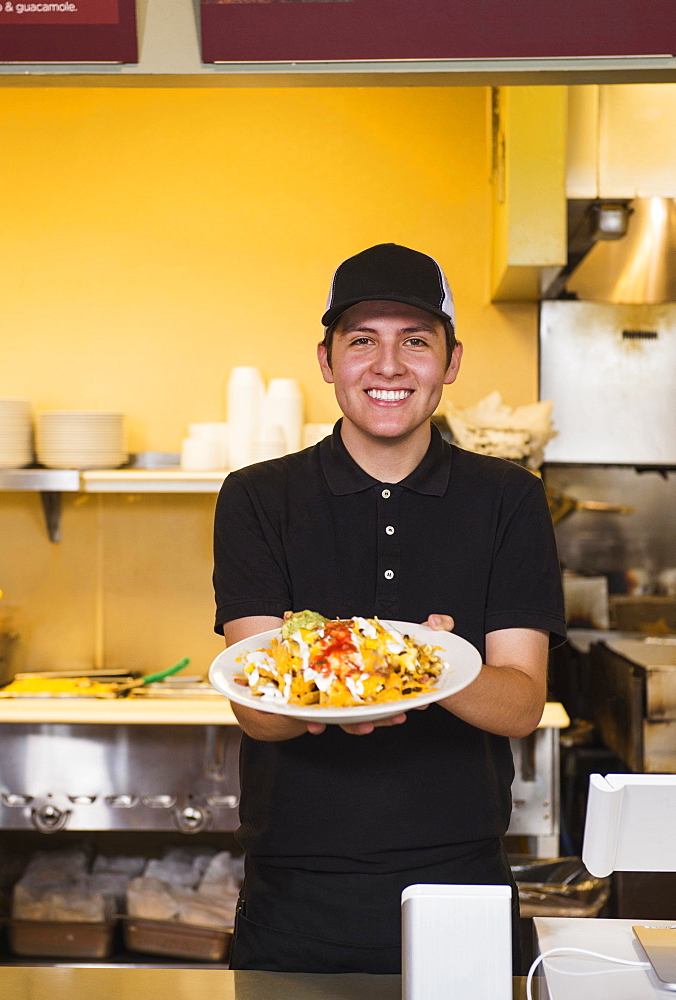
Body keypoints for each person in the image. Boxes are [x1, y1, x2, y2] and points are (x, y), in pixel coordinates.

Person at [212, 242, 566, 975]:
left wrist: (424, 666)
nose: (388, 366)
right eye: (361, 341)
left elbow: (520, 705)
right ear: (326, 359)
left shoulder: (508, 500)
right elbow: (256, 709)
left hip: (460, 886)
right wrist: (346, 686)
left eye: (415, 341)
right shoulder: (256, 497)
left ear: (451, 359)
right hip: (295, 891)